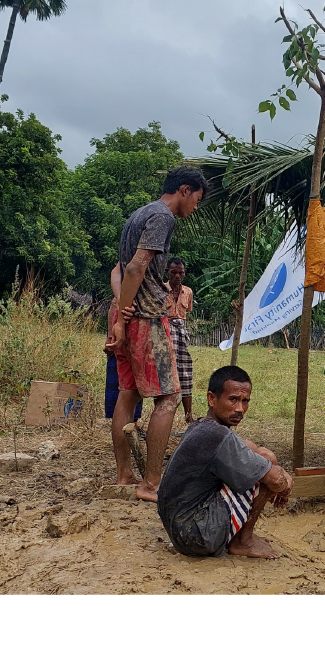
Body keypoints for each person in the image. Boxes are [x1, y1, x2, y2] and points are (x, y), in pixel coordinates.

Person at [105, 166, 207, 502]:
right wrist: (124, 317)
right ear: (184, 190)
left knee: (128, 395)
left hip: (129, 317)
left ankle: (123, 474)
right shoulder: (163, 217)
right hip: (147, 319)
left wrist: (119, 314)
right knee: (169, 398)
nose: (195, 208)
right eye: (196, 200)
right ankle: (151, 484)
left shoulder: (139, 214)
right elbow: (135, 267)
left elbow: (119, 270)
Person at [157, 365, 294, 559]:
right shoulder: (217, 434)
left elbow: (251, 448)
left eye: (245, 401)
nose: (240, 409)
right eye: (233, 400)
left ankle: (239, 536)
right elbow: (273, 479)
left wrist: (273, 469)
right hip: (196, 536)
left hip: (180, 528)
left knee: (264, 458)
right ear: (212, 399)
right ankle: (243, 541)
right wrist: (285, 484)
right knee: (265, 470)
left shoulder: (202, 426)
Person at [164, 257, 196, 425]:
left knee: (185, 371)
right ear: (167, 272)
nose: (177, 276)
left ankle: (188, 414)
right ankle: (163, 413)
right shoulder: (161, 290)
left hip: (181, 332)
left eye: (180, 273)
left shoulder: (188, 292)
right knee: (166, 372)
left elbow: (186, 314)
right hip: (165, 332)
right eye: (173, 272)